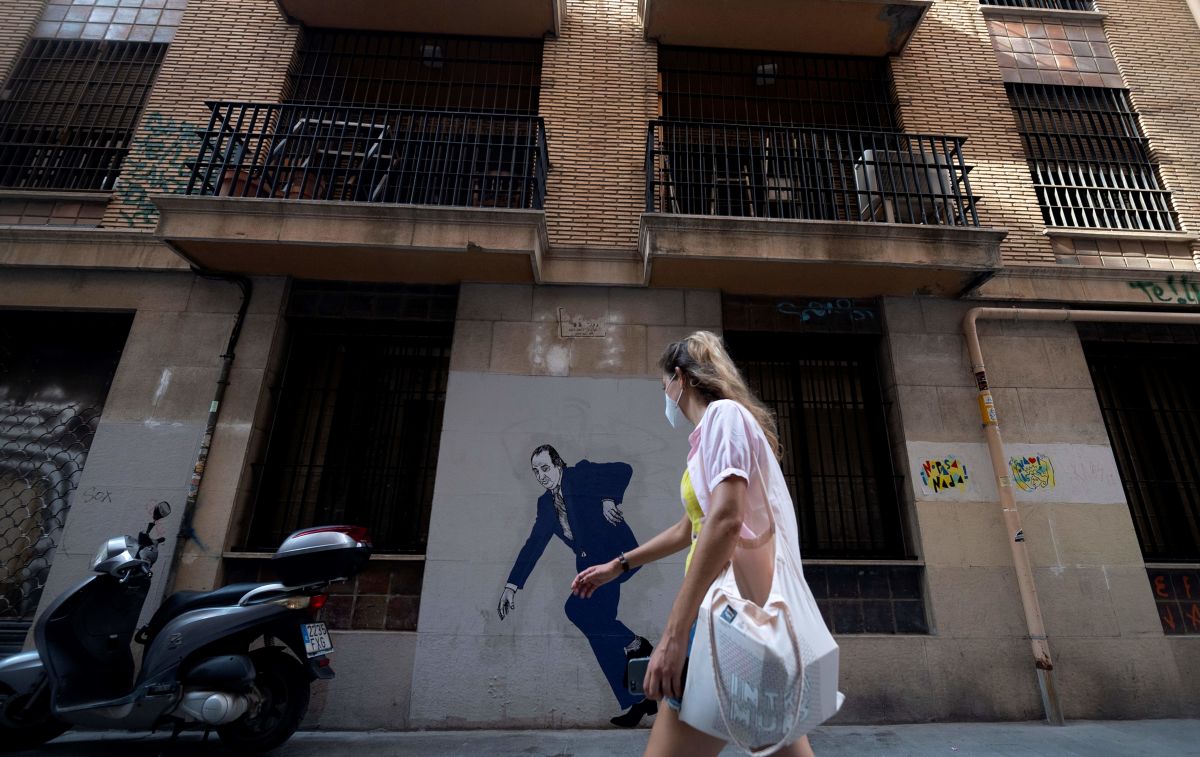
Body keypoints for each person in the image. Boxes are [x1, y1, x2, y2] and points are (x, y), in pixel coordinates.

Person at [571, 331, 818, 757]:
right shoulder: (708, 438)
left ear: (680, 379)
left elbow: (725, 520)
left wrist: (673, 636)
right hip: (745, 620)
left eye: (662, 384)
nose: (663, 395)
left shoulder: (724, 417)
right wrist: (618, 565)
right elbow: (690, 528)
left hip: (727, 619)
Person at [498, 444, 658, 727]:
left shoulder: (580, 474)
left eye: (546, 468)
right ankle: (639, 699)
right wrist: (512, 586)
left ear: (559, 464)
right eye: (536, 472)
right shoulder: (545, 504)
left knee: (576, 609)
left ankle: (636, 644)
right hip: (590, 567)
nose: (542, 476)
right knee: (600, 632)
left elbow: (624, 470)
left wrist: (609, 498)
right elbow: (534, 544)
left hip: (617, 558)